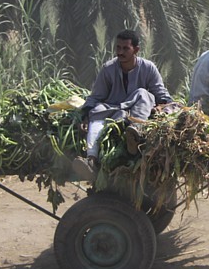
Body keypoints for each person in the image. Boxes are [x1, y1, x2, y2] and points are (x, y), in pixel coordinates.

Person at [73, 29, 173, 180]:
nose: (120, 52)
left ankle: (135, 131)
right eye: (118, 48)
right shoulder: (108, 69)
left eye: (125, 48)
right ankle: (91, 160)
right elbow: (95, 97)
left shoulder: (148, 68)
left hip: (137, 115)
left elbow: (163, 96)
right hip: (115, 112)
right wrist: (85, 116)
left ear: (136, 50)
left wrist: (161, 107)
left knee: (144, 93)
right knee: (97, 111)